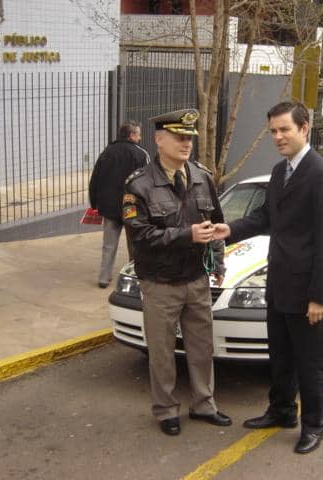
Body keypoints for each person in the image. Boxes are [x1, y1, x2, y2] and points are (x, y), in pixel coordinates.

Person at [212, 101, 323, 454]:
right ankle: (282, 410)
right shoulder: (279, 171)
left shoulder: (322, 174)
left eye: (284, 129)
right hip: (278, 285)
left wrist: (320, 296)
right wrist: (230, 229)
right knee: (281, 357)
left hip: (306, 293)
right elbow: (265, 217)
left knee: (310, 363)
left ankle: (314, 425)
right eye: (273, 131)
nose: (278, 136)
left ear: (305, 128)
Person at [122, 108, 231, 436]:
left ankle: (203, 404)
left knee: (201, 348)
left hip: (197, 279)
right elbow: (140, 236)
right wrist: (187, 235)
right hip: (160, 283)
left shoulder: (202, 177)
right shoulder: (138, 185)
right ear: (159, 140)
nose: (186, 144)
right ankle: (166, 409)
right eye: (179, 137)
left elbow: (214, 224)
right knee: (162, 351)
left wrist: (218, 262)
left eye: (190, 138)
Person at [88, 120, 150, 288]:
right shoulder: (141, 154)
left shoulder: (107, 152)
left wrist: (94, 204)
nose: (140, 137)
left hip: (109, 208)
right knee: (135, 244)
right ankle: (135, 277)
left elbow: (95, 179)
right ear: (131, 136)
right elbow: (148, 182)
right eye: (138, 134)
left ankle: (103, 278)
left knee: (108, 245)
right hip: (131, 208)